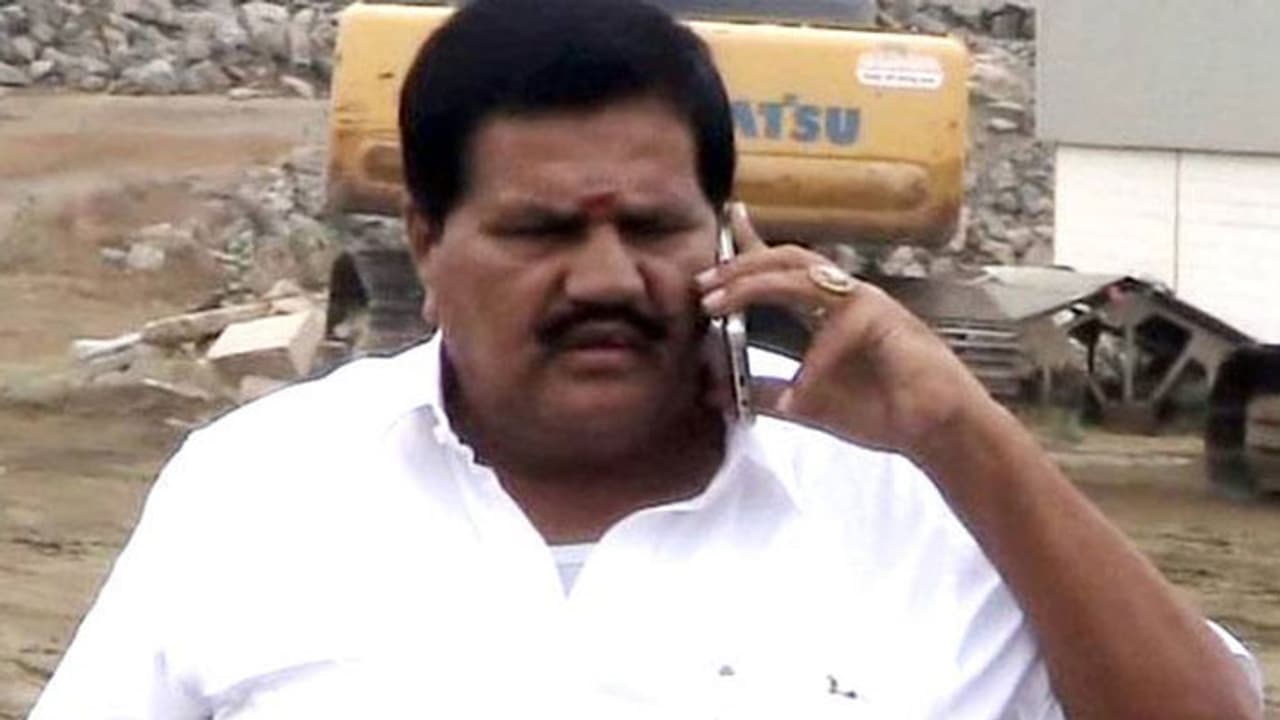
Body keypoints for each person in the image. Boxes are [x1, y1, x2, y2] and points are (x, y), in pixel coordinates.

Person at [32, 0, 1263, 717]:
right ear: (426, 241)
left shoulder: (907, 501)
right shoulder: (257, 487)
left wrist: (964, 433)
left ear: (729, 230)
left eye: (653, 227)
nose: (608, 279)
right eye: (540, 232)